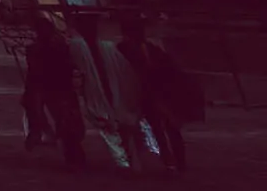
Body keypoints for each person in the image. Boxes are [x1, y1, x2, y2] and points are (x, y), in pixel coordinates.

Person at [118, 17, 198, 174]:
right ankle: (172, 162)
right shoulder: (136, 49)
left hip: (157, 94)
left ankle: (174, 162)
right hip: (150, 94)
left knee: (166, 129)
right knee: (161, 130)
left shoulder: (148, 49)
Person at [69, 12, 144, 169]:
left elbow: (124, 70)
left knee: (119, 126)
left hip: (110, 90)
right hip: (97, 92)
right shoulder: (78, 46)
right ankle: (123, 161)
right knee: (108, 125)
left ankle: (126, 160)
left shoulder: (105, 47)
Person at [22, 14, 86, 167]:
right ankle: (71, 153)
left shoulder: (51, 47)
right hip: (57, 89)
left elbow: (36, 74)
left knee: (66, 123)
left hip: (57, 89)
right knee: (65, 122)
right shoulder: (51, 46)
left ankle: (72, 154)